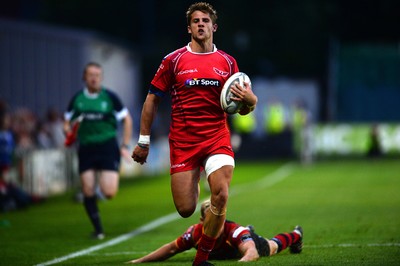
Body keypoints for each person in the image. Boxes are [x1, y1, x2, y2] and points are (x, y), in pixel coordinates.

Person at [131, 2, 257, 265]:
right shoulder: (173, 60)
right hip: (184, 142)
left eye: (205, 20)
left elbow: (241, 109)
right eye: (196, 21)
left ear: (214, 26)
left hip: (216, 139)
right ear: (189, 28)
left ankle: (201, 260)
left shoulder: (227, 62)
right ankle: (197, 178)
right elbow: (152, 100)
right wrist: (143, 141)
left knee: (221, 194)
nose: (201, 24)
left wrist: (251, 100)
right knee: (186, 209)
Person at [64, 62, 133, 239]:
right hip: (86, 147)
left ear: (101, 78)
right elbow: (66, 122)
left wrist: (124, 145)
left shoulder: (110, 97)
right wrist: (68, 132)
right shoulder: (77, 99)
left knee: (109, 192)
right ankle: (98, 229)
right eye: (90, 75)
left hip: (107, 146)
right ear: (84, 77)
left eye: (97, 75)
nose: (94, 78)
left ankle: (99, 195)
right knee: (87, 190)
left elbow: (127, 120)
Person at [127, 200, 303, 264]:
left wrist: (242, 261)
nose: (216, 222)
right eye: (212, 219)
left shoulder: (232, 231)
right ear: (202, 221)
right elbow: (171, 248)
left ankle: (297, 235)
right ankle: (248, 231)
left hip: (245, 243)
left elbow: (252, 252)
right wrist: (140, 261)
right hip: (234, 244)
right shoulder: (195, 233)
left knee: (271, 247)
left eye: (219, 218)